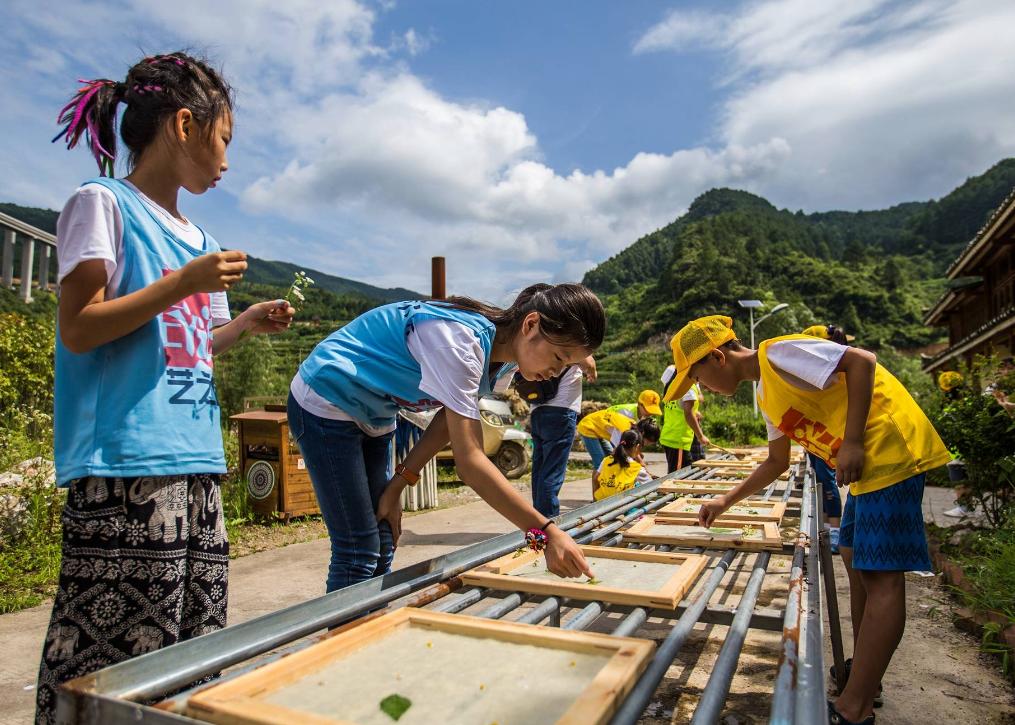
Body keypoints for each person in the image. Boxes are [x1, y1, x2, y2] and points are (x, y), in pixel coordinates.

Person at [37, 52, 295, 724]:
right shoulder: (103, 204)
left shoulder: (200, 238)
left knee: (190, 651)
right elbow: (80, 327)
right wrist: (183, 282)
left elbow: (193, 346)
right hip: (127, 466)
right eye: (224, 139)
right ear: (184, 124)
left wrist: (243, 322)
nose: (227, 161)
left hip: (197, 463)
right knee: (110, 660)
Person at [666, 316, 949, 725]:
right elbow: (776, 461)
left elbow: (862, 362)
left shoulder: (778, 353)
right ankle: (865, 674)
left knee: (881, 578)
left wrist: (852, 441)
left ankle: (855, 708)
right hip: (868, 468)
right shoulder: (766, 395)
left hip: (889, 450)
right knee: (851, 553)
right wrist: (725, 501)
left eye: (697, 376)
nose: (701, 386)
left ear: (717, 357)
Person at [289, 284, 604, 592]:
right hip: (326, 398)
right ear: (531, 324)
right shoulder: (459, 342)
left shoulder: (503, 360)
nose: (556, 372)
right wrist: (545, 533)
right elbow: (470, 463)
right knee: (359, 549)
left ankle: (369, 622)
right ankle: (346, 628)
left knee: (383, 539)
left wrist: (396, 486)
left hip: (375, 414)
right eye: (559, 357)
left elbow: (447, 421)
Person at [519, 357, 597, 517]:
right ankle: (548, 521)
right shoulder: (573, 344)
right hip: (561, 411)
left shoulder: (542, 344)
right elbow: (588, 362)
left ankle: (538, 519)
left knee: (540, 469)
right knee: (552, 471)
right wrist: (592, 371)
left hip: (537, 410)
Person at [801, 325, 854, 550]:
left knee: (827, 480)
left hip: (825, 437)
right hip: (815, 437)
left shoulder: (832, 373)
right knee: (820, 481)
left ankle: (834, 530)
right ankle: (824, 529)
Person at [659, 364, 709, 472]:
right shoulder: (688, 387)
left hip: (670, 436)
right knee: (678, 477)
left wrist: (694, 412)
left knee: (678, 473)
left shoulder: (674, 384)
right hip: (679, 440)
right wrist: (700, 436)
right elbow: (688, 414)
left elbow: (680, 408)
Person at [592, 429, 652, 500]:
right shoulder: (636, 468)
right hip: (622, 504)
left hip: (601, 501)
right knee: (638, 485)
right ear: (637, 447)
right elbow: (651, 485)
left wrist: (595, 500)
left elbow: (595, 479)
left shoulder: (606, 460)